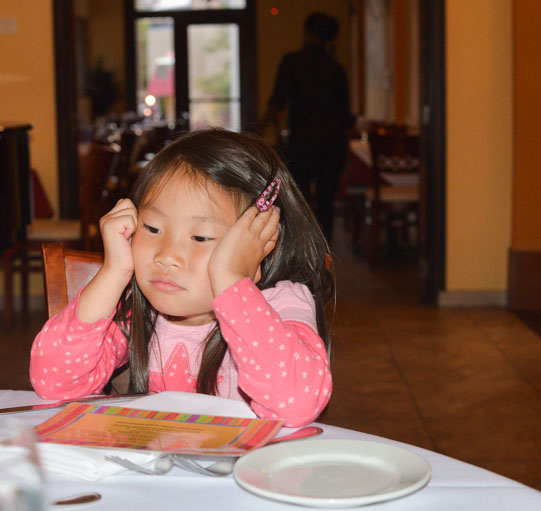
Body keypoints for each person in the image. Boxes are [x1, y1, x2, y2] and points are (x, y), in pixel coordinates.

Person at [29, 129, 334, 426]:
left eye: (200, 237)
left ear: (261, 241)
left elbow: (296, 406)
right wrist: (114, 272)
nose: (166, 256)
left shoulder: (281, 305)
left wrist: (231, 282)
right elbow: (54, 383)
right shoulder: (140, 309)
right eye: (152, 229)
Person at [259, 11, 352, 244]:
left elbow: (277, 101)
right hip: (332, 145)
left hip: (303, 143)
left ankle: (301, 251)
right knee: (326, 203)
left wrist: (258, 130)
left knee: (298, 201)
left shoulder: (292, 62)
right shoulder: (337, 69)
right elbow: (345, 116)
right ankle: (325, 253)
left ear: (308, 33)